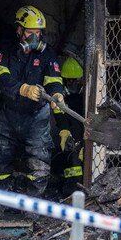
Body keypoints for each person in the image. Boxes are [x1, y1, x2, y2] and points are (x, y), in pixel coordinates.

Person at [0, 5, 65, 203]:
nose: (34, 37)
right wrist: (22, 89)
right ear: (19, 30)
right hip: (10, 114)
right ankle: (0, 203)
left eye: (38, 33)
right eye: (30, 32)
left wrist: (57, 95)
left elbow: (54, 78)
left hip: (37, 116)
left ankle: (32, 207)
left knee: (39, 163)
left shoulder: (47, 53)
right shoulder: (5, 48)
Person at [51, 56, 85, 198]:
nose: (72, 84)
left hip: (85, 137)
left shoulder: (87, 98)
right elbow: (60, 117)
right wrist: (64, 131)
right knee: (71, 161)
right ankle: (71, 192)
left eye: (75, 81)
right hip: (71, 138)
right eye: (69, 80)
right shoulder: (61, 98)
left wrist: (85, 143)